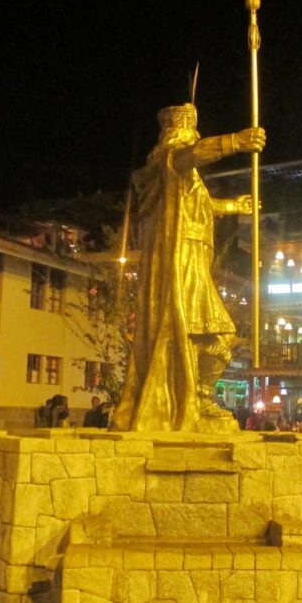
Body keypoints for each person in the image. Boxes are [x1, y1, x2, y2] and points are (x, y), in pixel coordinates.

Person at [111, 102, 265, 433]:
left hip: (195, 259)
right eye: (190, 128)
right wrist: (236, 141)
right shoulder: (170, 160)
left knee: (212, 336)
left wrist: (233, 205)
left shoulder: (180, 177)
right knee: (218, 333)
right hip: (181, 263)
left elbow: (201, 204)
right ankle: (198, 398)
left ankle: (198, 396)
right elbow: (190, 155)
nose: (194, 134)